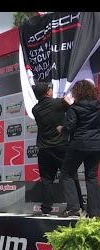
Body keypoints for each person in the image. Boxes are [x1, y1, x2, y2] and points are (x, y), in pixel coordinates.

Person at [31, 82, 83, 216]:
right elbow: (74, 107)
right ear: (48, 92)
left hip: (44, 148)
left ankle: (46, 209)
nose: (52, 90)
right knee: (70, 176)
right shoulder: (59, 103)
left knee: (47, 179)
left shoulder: (35, 110)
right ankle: (78, 206)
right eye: (50, 89)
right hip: (61, 146)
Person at [60, 79, 100, 218]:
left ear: (76, 92)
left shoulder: (74, 108)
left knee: (66, 174)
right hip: (96, 146)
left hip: (79, 145)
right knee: (92, 177)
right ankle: (95, 213)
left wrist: (61, 129)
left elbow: (69, 128)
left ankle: (73, 208)